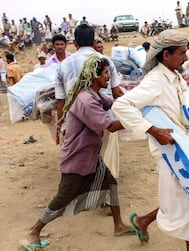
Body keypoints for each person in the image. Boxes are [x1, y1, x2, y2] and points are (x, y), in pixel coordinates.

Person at [25, 54, 128, 250]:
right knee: (63, 198)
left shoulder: (94, 94)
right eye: (106, 73)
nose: (109, 76)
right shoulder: (86, 100)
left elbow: (112, 103)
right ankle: (34, 230)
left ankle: (119, 225)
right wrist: (138, 121)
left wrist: (131, 101)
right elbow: (111, 126)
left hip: (90, 156)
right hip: (78, 159)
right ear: (95, 75)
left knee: (111, 183)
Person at [112, 29, 189, 251]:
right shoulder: (155, 80)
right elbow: (121, 105)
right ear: (166, 55)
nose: (186, 57)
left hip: (183, 145)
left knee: (188, 199)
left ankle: (144, 220)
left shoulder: (175, 76)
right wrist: (152, 130)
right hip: (169, 152)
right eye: (182, 53)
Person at [54, 24, 129, 236]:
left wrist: (61, 124)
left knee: (81, 157)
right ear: (94, 40)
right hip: (102, 117)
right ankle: (106, 202)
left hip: (76, 120)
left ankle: (82, 196)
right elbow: (115, 92)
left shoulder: (63, 65)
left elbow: (61, 100)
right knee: (107, 156)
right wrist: (130, 110)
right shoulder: (105, 62)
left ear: (74, 43)